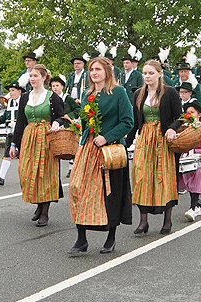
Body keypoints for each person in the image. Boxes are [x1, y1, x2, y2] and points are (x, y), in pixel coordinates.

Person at [68, 57, 134, 256]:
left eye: (98, 69)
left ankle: (111, 237)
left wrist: (107, 137)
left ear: (107, 72)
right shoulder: (87, 93)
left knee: (109, 192)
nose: (94, 73)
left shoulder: (118, 93)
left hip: (109, 150)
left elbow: (127, 122)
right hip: (88, 148)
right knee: (77, 187)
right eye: (91, 69)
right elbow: (86, 122)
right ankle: (81, 239)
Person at [126, 59, 183, 235]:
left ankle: (167, 220)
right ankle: (143, 222)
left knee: (164, 177)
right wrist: (125, 143)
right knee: (142, 176)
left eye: (151, 73)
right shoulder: (138, 94)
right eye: (145, 73)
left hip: (163, 139)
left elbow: (181, 117)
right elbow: (136, 122)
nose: (147, 76)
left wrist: (173, 129)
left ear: (160, 74)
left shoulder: (170, 92)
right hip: (145, 139)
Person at [9, 64, 68, 227]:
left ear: (44, 77)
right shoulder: (25, 97)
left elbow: (62, 117)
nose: (32, 78)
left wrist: (56, 122)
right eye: (31, 76)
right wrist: (14, 143)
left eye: (35, 75)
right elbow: (21, 121)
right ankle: (38, 204)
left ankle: (44, 212)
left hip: (46, 138)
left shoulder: (52, 97)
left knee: (45, 174)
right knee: (28, 172)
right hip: (29, 138)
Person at [0, 77, 21, 187]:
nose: (10, 93)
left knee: (24, 155)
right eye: (10, 91)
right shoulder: (9, 103)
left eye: (13, 90)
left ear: (19, 91)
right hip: (10, 131)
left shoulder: (24, 102)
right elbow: (6, 115)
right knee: (7, 154)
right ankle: (1, 176)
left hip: (21, 131)